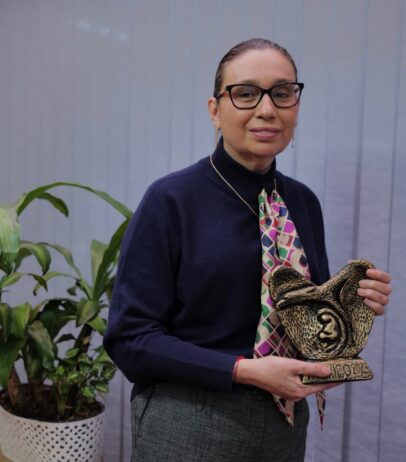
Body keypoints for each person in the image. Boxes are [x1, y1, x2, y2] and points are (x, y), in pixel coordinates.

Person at [103, 38, 392, 462]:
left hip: (283, 426)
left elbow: (306, 320)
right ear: (214, 110)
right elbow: (130, 339)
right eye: (245, 93)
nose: (267, 109)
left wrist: (352, 305)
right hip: (188, 421)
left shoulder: (302, 203)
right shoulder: (171, 200)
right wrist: (243, 370)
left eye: (282, 93)